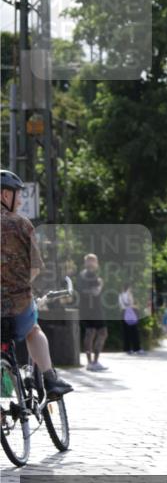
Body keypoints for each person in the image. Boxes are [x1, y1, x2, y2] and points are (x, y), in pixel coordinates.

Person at [0, 170, 73, 397]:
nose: (20, 200)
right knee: (34, 330)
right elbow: (36, 266)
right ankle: (51, 380)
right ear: (4, 194)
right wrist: (22, 284)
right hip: (18, 306)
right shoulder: (21, 224)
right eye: (18, 195)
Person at [78, 253, 110, 371]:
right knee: (100, 333)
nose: (92, 263)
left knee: (90, 333)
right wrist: (100, 284)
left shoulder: (85, 275)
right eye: (90, 261)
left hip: (89, 308)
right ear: (86, 263)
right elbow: (94, 292)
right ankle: (93, 362)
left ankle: (91, 362)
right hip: (93, 310)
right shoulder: (87, 275)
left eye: (94, 261)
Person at [118, 284, 142, 355]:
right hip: (130, 313)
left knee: (126, 332)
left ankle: (127, 349)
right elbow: (131, 304)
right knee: (134, 332)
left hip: (123, 313)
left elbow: (121, 306)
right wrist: (136, 306)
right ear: (128, 288)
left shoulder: (120, 295)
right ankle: (137, 349)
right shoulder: (129, 294)